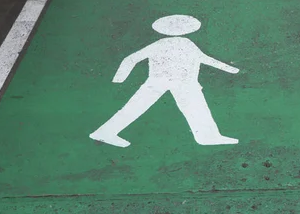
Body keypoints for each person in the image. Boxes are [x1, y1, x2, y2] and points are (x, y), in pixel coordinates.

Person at [90, 15, 239, 148]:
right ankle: (208, 136)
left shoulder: (166, 44)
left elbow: (131, 59)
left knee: (136, 107)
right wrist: (230, 69)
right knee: (196, 108)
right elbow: (206, 59)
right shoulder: (185, 44)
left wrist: (120, 78)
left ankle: (208, 136)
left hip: (167, 82)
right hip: (178, 82)